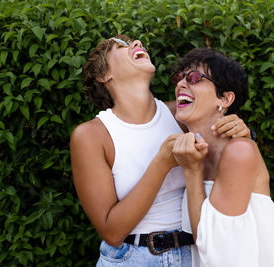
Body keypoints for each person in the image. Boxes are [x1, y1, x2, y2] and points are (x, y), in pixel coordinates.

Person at [70, 35, 253, 266]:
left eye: (136, 42)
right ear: (104, 75)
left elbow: (229, 148)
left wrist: (242, 131)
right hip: (130, 258)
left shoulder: (182, 114)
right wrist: (162, 163)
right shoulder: (91, 136)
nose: (136, 43)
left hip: (193, 254)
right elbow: (111, 232)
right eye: (122, 45)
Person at [172, 48, 274, 267]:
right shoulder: (191, 150)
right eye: (179, 78)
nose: (180, 84)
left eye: (194, 78)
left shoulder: (239, 151)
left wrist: (192, 171)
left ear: (226, 99)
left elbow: (216, 251)